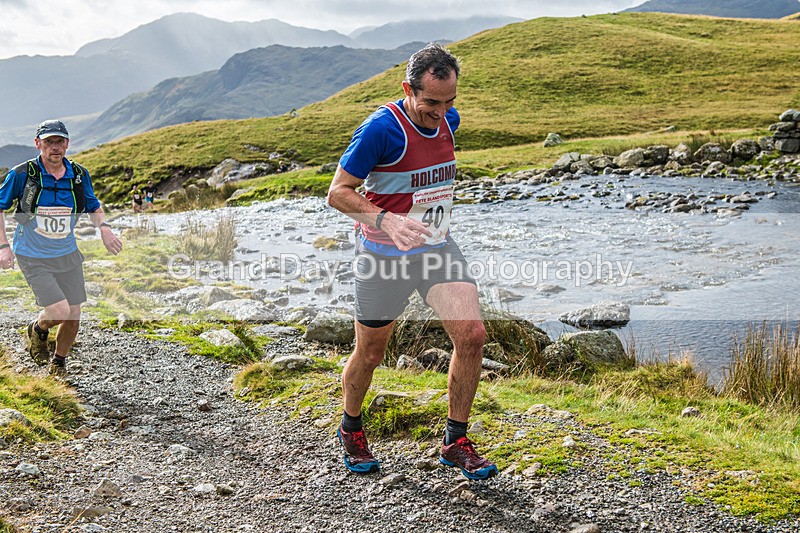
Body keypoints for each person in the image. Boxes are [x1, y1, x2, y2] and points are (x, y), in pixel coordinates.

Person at [327, 43, 497, 480]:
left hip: (436, 248)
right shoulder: (380, 130)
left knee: (472, 335)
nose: (441, 113)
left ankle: (455, 442)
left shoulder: (448, 121)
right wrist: (387, 219)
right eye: (431, 103)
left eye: (449, 102)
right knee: (371, 352)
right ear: (408, 89)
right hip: (384, 257)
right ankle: (351, 427)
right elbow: (338, 192)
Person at [0, 120, 122, 376]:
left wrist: (104, 227)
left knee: (74, 313)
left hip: (67, 253)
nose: (54, 147)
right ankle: (38, 328)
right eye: (49, 142)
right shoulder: (22, 174)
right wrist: (3, 246)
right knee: (58, 311)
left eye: (59, 141)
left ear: (67, 143)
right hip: (32, 254)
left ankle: (59, 363)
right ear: (38, 144)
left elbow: (93, 205)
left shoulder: (78, 175)